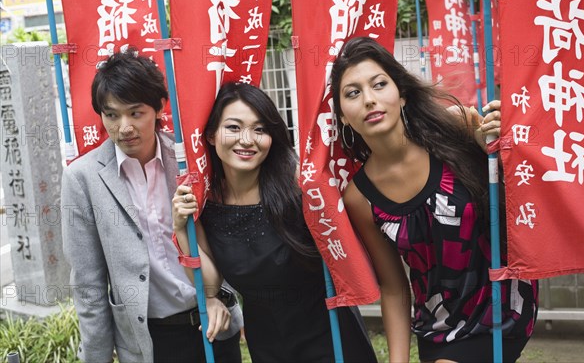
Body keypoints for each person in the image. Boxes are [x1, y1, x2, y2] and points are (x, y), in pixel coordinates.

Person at [329, 37, 538, 363]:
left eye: (379, 84)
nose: (369, 100)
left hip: (501, 308)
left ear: (401, 94)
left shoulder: (454, 127)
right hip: (437, 326)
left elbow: (522, 195)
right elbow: (394, 288)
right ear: (343, 116)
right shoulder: (359, 198)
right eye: (353, 93)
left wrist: (498, 151)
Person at [172, 82, 378, 363]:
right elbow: (209, 285)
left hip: (329, 334)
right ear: (210, 135)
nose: (247, 140)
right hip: (267, 342)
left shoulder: (299, 187)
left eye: (259, 129)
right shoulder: (205, 201)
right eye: (233, 127)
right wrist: (182, 227)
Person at [61, 50, 242, 363]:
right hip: (148, 342)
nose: (124, 127)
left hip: (212, 322)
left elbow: (225, 241)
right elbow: (88, 284)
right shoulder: (82, 178)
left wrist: (220, 297)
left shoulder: (192, 160)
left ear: (159, 107)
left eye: (135, 113)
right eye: (112, 115)